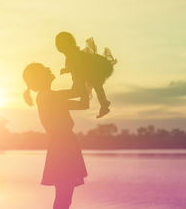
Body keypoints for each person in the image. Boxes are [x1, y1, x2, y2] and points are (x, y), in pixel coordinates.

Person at [23, 63, 88, 209]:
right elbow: (79, 94)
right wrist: (78, 72)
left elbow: (83, 102)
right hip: (63, 146)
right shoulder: (49, 95)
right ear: (40, 78)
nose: (49, 69)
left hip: (63, 145)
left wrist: (82, 77)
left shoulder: (50, 96)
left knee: (64, 195)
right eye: (44, 70)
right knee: (64, 195)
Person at [55, 32, 117, 118]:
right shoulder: (70, 54)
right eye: (60, 43)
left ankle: (103, 104)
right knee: (95, 86)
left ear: (70, 42)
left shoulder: (73, 53)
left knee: (96, 86)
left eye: (64, 42)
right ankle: (103, 104)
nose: (62, 45)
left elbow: (78, 63)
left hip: (92, 68)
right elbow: (76, 69)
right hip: (86, 71)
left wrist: (68, 69)